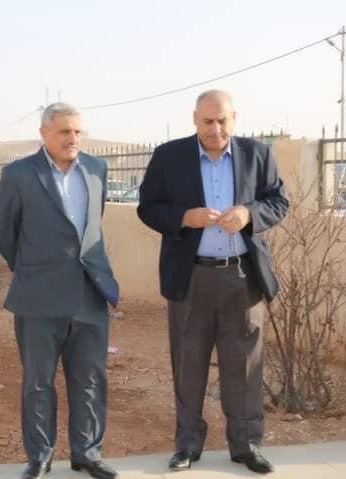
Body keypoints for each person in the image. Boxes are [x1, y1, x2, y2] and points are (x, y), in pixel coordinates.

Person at [137, 90, 289, 474]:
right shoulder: (169, 157)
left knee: (245, 367)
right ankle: (188, 445)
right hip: (191, 277)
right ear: (195, 119)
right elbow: (148, 207)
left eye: (223, 121)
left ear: (234, 118)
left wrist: (249, 214)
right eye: (208, 121)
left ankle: (247, 445)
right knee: (189, 365)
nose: (216, 129)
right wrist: (184, 218)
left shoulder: (258, 155)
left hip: (242, 277)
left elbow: (278, 202)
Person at [0, 103, 119, 479]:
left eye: (78, 131)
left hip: (89, 293)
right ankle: (40, 456)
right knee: (38, 382)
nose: (73, 138)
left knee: (90, 379)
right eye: (65, 131)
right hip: (38, 296)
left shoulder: (96, 168)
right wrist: (34, 268)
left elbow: (93, 226)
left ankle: (87, 453)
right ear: (44, 134)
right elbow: (5, 233)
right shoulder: (18, 174)